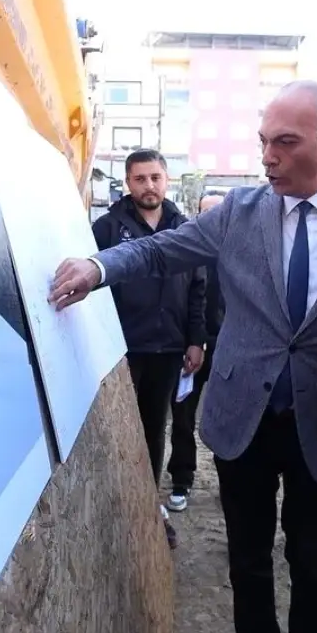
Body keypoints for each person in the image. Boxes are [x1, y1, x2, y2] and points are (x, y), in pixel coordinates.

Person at [50, 80, 317, 633]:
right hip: (241, 421)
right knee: (247, 563)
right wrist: (98, 266)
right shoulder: (239, 213)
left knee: (315, 568)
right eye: (263, 141)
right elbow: (161, 252)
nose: (268, 157)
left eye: (286, 143)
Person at [91, 148, 206, 548]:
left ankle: (147, 502)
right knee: (116, 428)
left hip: (168, 347)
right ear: (128, 183)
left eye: (155, 177)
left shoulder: (185, 228)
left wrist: (195, 339)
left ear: (166, 180)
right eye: (140, 179)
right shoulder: (107, 228)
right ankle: (114, 503)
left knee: (155, 427)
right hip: (121, 349)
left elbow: (198, 289)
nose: (149, 186)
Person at [166, 189, 227, 512]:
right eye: (207, 212)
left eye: (220, 211)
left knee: (231, 420)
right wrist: (193, 340)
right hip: (192, 345)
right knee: (182, 416)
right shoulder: (188, 250)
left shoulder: (246, 252)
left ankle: (230, 483)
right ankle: (182, 479)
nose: (214, 218)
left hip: (230, 349)